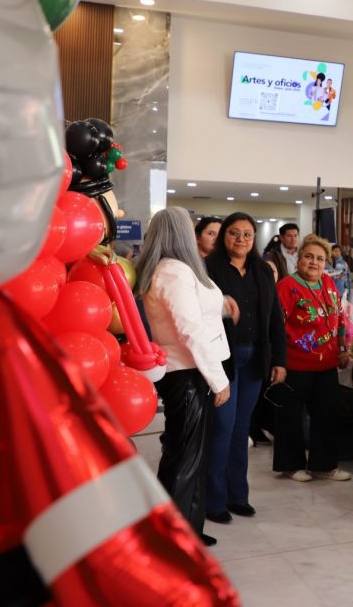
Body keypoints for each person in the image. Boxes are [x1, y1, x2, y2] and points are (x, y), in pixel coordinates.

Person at [135, 208, 232, 548]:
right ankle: (175, 539)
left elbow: (196, 316)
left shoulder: (171, 269)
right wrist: (218, 379)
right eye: (190, 229)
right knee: (185, 459)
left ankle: (187, 529)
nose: (195, 234)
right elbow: (190, 330)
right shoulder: (173, 271)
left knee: (187, 456)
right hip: (187, 374)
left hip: (187, 372)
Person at [203, 213, 286, 525]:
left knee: (241, 429)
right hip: (222, 360)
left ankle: (237, 496)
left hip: (255, 359)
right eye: (234, 233)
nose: (241, 239)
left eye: (247, 234)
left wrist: (279, 359)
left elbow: (275, 316)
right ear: (224, 235)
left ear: (254, 239)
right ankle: (213, 500)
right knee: (222, 429)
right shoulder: (208, 269)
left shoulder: (262, 269)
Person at [274, 234, 351, 482]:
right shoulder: (286, 286)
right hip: (295, 364)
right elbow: (276, 327)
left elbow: (339, 317)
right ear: (299, 259)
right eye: (309, 256)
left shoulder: (328, 283)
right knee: (290, 417)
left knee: (326, 416)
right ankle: (290, 465)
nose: (314, 262)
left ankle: (323, 466)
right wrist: (278, 361)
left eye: (319, 258)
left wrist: (342, 347)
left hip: (327, 363)